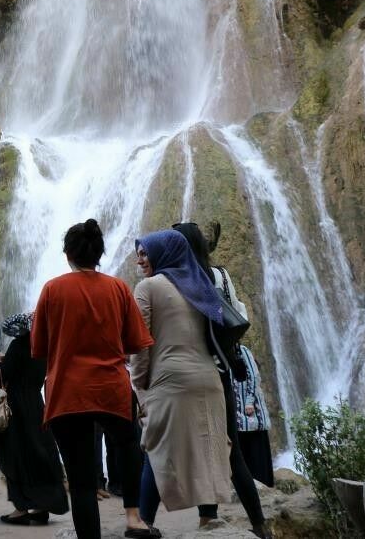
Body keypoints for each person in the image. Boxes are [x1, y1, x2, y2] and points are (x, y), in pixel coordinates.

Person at [31, 219, 157, 539]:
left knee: (82, 479)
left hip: (67, 391)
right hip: (110, 387)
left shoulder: (52, 289)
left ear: (68, 254)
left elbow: (40, 348)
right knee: (128, 443)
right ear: (100, 253)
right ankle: (133, 517)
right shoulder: (117, 288)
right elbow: (135, 343)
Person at [171, 222, 274, 538]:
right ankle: (258, 523)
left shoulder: (177, 281)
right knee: (232, 451)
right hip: (223, 369)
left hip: (194, 371)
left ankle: (206, 518)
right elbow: (238, 313)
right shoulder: (221, 275)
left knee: (204, 450)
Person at [130, 229, 232, 534]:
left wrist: (139, 387)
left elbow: (141, 345)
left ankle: (144, 521)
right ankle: (208, 516)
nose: (140, 261)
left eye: (145, 253)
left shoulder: (148, 288)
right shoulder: (200, 285)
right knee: (208, 445)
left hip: (169, 380)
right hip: (209, 379)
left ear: (162, 254)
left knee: (156, 446)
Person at [0, 312, 69, 526]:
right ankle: (42, 507)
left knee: (15, 453)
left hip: (16, 407)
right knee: (39, 453)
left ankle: (21, 508)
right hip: (36, 404)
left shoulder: (18, 345)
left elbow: (4, 375)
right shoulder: (44, 348)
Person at [233, 345, 275, 487]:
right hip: (237, 417)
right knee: (242, 453)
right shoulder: (222, 353)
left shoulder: (242, 350)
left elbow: (254, 374)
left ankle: (263, 486)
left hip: (251, 413)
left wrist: (249, 401)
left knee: (257, 451)